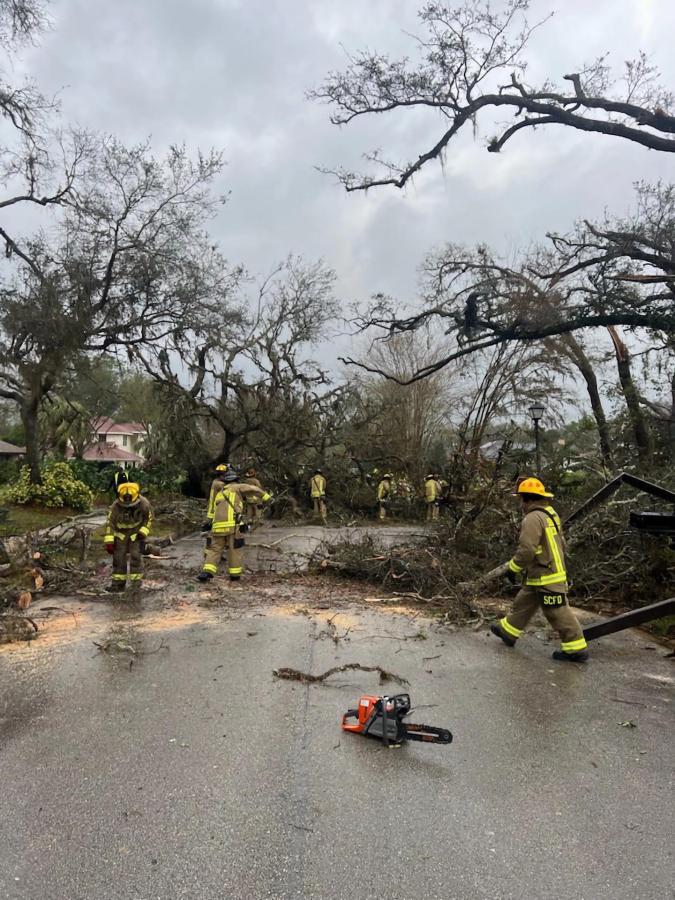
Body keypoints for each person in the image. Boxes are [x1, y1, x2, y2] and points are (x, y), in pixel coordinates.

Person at [490, 477, 589, 663]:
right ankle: (508, 631)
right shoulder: (550, 513)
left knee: (556, 610)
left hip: (547, 574)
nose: (520, 503)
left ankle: (576, 648)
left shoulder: (532, 518)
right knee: (524, 601)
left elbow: (527, 549)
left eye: (521, 499)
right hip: (542, 571)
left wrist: (513, 568)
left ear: (527, 499)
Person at [198, 470, 271, 582]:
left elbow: (213, 509)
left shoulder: (220, 493)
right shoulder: (237, 487)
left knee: (214, 550)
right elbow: (253, 489)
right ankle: (234, 575)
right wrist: (266, 497)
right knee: (234, 549)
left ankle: (206, 572)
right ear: (236, 480)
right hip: (232, 527)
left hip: (217, 527)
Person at [103, 482, 153, 594]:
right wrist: (109, 541)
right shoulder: (116, 506)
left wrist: (143, 532)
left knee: (136, 557)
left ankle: (136, 586)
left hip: (136, 534)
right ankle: (117, 585)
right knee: (118, 558)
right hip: (121, 534)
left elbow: (148, 519)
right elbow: (110, 523)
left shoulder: (144, 503)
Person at [201, 463, 230, 533]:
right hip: (215, 508)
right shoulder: (220, 484)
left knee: (210, 524)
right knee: (212, 526)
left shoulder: (216, 481)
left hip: (213, 507)